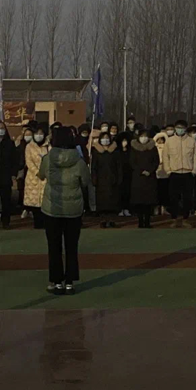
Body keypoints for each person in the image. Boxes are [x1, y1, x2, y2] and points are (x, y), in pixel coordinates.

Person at [39, 127, 90, 295]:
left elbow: (41, 175)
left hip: (51, 208)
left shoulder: (48, 158)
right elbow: (85, 181)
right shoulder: (79, 161)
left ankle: (56, 281)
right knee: (71, 246)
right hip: (73, 209)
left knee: (54, 247)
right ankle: (69, 282)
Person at [163, 120, 196, 228]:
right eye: (178, 127)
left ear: (185, 128)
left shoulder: (192, 141)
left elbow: (195, 157)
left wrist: (194, 170)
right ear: (175, 128)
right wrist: (168, 170)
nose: (180, 129)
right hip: (174, 172)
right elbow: (165, 157)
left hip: (188, 173)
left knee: (187, 198)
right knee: (173, 197)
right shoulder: (169, 141)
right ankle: (174, 219)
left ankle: (185, 219)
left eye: (182, 127)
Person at [129, 130, 160, 228]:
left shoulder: (153, 148)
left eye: (146, 136)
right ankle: (140, 221)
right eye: (142, 136)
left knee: (149, 201)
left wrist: (150, 171)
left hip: (150, 178)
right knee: (139, 201)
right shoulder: (134, 148)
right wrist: (140, 171)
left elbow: (156, 161)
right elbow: (132, 162)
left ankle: (147, 222)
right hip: (138, 177)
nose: (144, 138)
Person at [92, 131, 123, 228]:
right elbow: (94, 167)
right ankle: (103, 220)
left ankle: (112, 220)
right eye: (103, 138)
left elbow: (119, 166)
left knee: (113, 201)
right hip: (100, 180)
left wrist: (119, 178)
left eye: (107, 138)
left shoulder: (115, 151)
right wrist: (94, 179)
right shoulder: (96, 151)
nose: (105, 140)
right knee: (102, 202)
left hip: (112, 180)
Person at [24, 124, 50, 229]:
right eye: (37, 133)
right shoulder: (29, 146)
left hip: (46, 176)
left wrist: (44, 172)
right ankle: (37, 223)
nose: (38, 135)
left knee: (45, 201)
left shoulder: (49, 145)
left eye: (41, 133)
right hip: (33, 178)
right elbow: (29, 161)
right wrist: (37, 172)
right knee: (35, 203)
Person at [0, 122, 17, 229]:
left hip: (5, 175)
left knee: (6, 199)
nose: (0, 130)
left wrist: (13, 174)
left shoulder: (10, 143)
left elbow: (14, 160)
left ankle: (6, 221)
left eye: (2, 128)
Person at [17, 126, 34, 218]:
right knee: (22, 190)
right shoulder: (20, 145)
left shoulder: (35, 146)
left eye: (30, 134)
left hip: (31, 170)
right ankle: (24, 208)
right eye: (26, 134)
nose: (27, 136)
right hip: (22, 170)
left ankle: (30, 209)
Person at [153, 132, 170, 215]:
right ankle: (156, 207)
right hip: (156, 172)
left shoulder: (168, 148)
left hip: (165, 172)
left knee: (165, 190)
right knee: (156, 190)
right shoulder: (153, 148)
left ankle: (164, 207)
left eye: (162, 139)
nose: (160, 141)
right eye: (158, 139)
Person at [117, 131, 133, 217]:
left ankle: (126, 208)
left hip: (128, 174)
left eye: (125, 141)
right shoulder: (117, 152)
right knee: (119, 192)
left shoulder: (130, 152)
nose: (124, 142)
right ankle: (120, 209)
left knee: (127, 192)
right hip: (119, 174)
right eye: (123, 141)